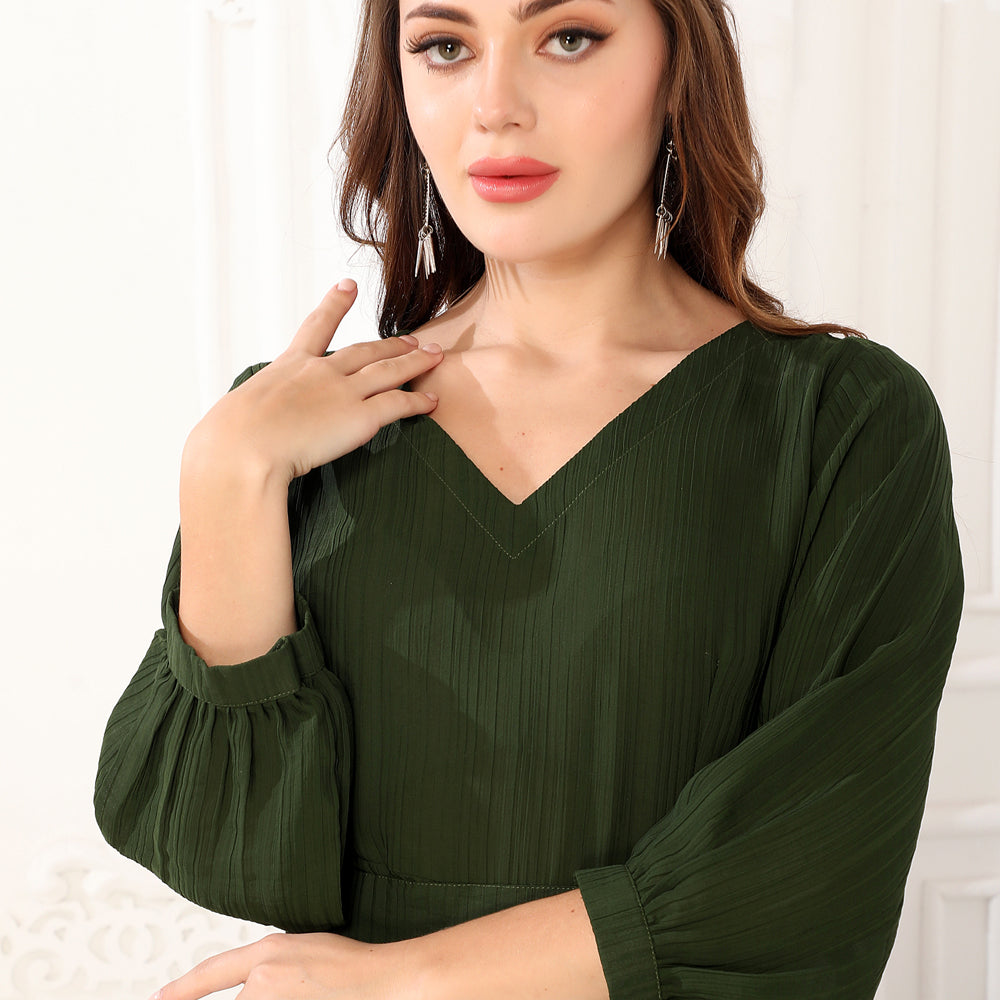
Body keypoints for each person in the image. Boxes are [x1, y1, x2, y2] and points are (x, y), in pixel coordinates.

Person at [93, 0, 965, 997]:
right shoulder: (286, 431)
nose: (495, 104)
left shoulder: (841, 422)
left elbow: (809, 865)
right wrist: (224, 475)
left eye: (568, 38)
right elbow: (222, 855)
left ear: (678, 66)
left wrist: (399, 981)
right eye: (445, 47)